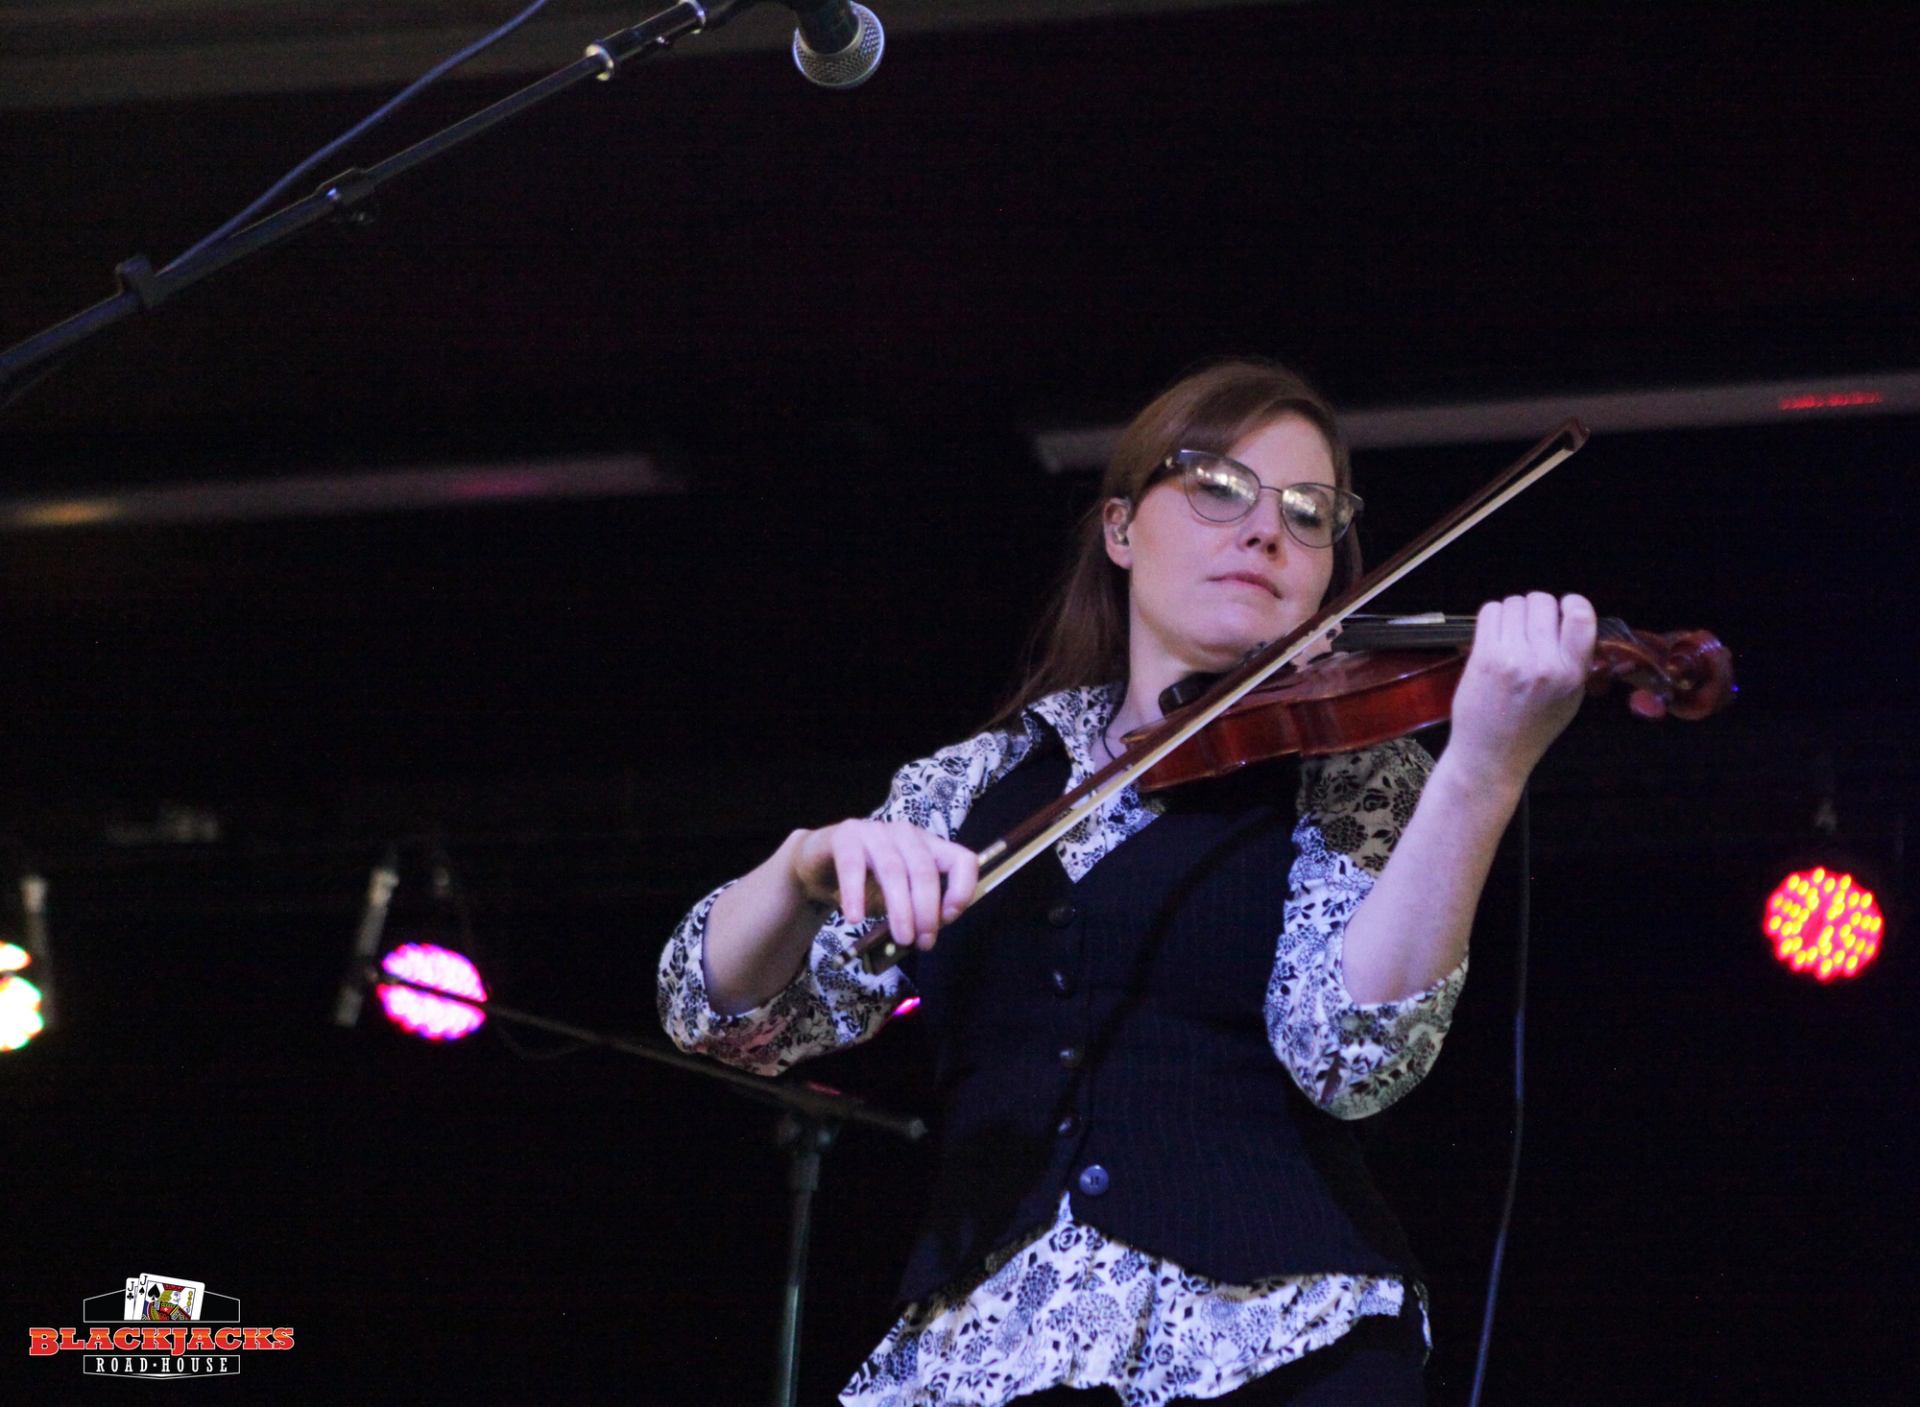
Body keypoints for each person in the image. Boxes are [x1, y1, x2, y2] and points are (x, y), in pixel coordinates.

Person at [657, 359, 1596, 1405]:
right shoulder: (974, 781)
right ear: (1118, 529)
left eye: (1309, 512)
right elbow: (727, 1020)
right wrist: (797, 867)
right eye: (1218, 488)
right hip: (985, 1357)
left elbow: (1354, 1057)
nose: (1266, 530)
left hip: (1282, 1346)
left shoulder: (1352, 774)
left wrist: (1484, 768)